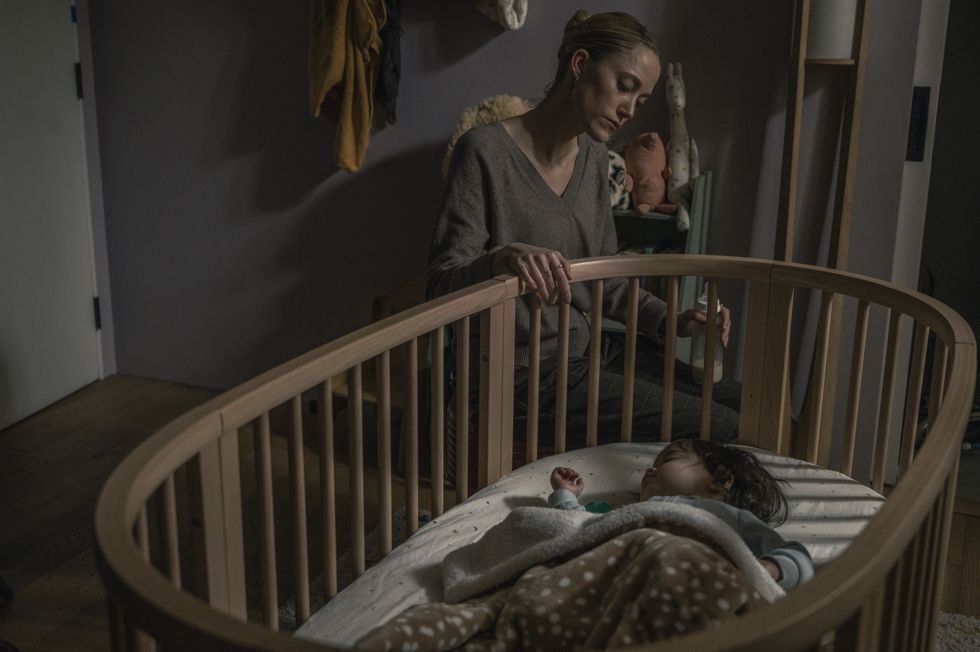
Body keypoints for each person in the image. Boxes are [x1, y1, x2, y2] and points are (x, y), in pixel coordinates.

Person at [427, 10, 741, 449]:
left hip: (583, 357)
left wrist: (673, 320)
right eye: (625, 86)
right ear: (580, 65)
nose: (630, 110)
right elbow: (441, 283)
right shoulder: (483, 152)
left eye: (642, 99)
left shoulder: (594, 158)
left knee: (745, 403)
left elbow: (602, 281)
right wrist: (500, 259)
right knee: (725, 427)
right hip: (520, 375)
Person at [548, 439, 814, 590]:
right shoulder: (624, 513)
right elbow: (577, 530)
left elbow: (797, 557)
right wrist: (566, 496)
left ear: (721, 480)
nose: (649, 471)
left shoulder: (728, 516)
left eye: (666, 461)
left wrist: (768, 570)